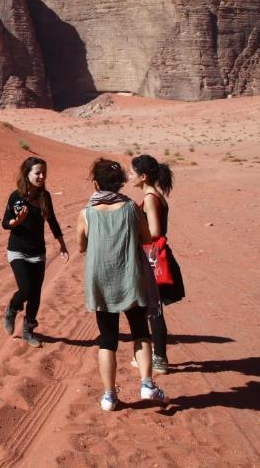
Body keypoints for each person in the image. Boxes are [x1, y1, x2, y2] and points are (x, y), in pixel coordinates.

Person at [77, 158, 166, 411]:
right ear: (120, 184)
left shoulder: (86, 213)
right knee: (140, 332)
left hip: (101, 282)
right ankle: (147, 384)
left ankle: (108, 396)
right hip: (131, 279)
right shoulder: (131, 208)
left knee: (107, 340)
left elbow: (81, 246)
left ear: (96, 184)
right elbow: (147, 237)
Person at [2, 156, 69, 348]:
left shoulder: (44, 196)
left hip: (38, 252)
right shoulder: (16, 196)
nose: (41, 176)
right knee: (26, 289)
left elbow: (52, 221)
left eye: (44, 173)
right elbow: (5, 223)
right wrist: (16, 222)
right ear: (27, 174)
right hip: (17, 250)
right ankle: (12, 309)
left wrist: (62, 245)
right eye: (37, 173)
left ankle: (28, 330)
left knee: (36, 294)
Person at [130, 154, 183, 374]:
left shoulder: (150, 198)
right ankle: (157, 355)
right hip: (153, 256)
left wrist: (133, 232)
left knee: (154, 310)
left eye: (132, 172)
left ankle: (159, 358)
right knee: (153, 309)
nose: (129, 175)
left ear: (143, 176)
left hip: (153, 258)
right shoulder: (153, 195)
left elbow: (155, 231)